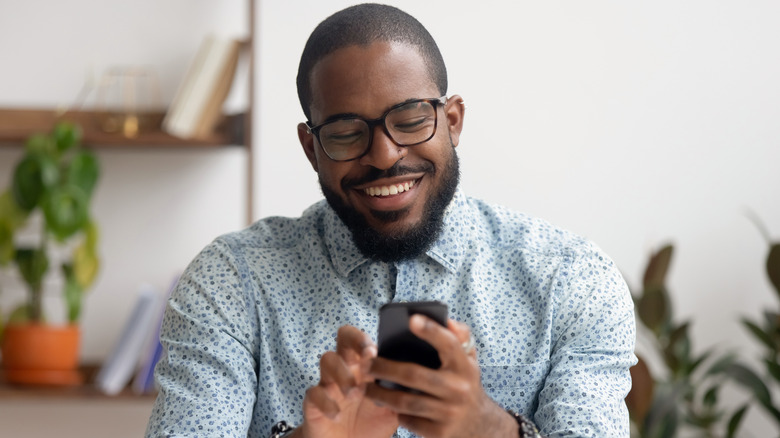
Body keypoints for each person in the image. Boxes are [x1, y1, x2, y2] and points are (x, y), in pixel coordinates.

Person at [145, 4, 636, 438]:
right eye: (345, 133)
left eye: (411, 119)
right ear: (312, 149)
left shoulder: (572, 281)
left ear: (453, 121)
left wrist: (488, 430)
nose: (384, 156)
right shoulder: (230, 282)